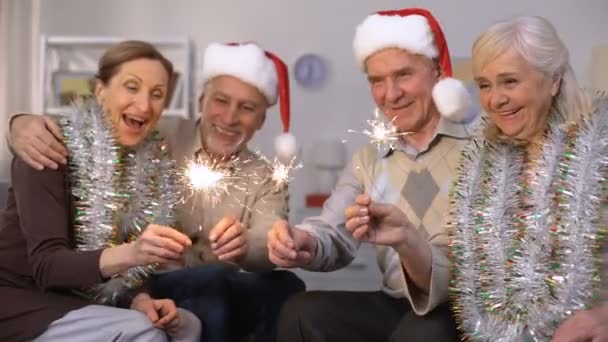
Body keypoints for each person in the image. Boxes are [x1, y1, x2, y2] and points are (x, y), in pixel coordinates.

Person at [7, 42, 304, 342]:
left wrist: (244, 245)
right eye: (221, 100)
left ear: (262, 120)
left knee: (284, 286)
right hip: (155, 277)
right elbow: (81, 133)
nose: (229, 118)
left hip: (149, 280)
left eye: (247, 108)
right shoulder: (154, 136)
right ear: (201, 100)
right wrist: (18, 125)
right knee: (212, 287)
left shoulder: (266, 177)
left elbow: (269, 240)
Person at [268, 8, 474, 342]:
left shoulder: (478, 145)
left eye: (404, 75)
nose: (390, 95)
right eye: (377, 80)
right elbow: (333, 232)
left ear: (437, 73)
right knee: (300, 312)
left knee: (421, 332)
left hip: (461, 309)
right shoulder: (370, 159)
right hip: (395, 302)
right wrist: (303, 241)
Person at [0, 40, 201, 341]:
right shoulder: (47, 147)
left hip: (81, 300)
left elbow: (125, 273)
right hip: (20, 299)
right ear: (100, 90)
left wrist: (140, 300)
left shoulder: (148, 167)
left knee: (186, 325)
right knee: (145, 333)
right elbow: (48, 267)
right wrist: (132, 253)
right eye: (131, 87)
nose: (144, 105)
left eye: (157, 94)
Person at [445, 15, 607, 341]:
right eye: (484, 85)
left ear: (554, 80)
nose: (495, 100)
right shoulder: (481, 160)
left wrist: (603, 317)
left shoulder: (600, 147)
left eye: (509, 81)